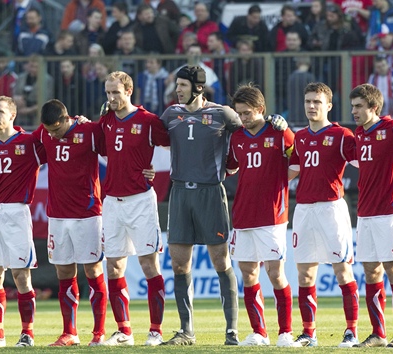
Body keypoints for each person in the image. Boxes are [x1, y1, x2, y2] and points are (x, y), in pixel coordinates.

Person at [158, 65, 242, 346]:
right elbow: (144, 137)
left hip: (210, 193)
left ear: (197, 87)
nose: (177, 90)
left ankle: (231, 331)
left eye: (182, 85)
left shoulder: (222, 114)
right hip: (180, 193)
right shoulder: (170, 114)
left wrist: (274, 123)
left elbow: (249, 133)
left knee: (221, 261)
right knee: (179, 264)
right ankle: (186, 331)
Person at [98, 71, 170, 346]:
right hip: (112, 201)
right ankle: (124, 331)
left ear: (129, 91)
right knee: (114, 266)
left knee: (148, 263)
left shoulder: (148, 121)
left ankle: (155, 330)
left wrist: (152, 171)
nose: (111, 98)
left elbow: (175, 144)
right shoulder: (105, 120)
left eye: (116, 92)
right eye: (108, 93)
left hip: (140, 200)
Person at [288, 82, 360, 348]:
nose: (311, 106)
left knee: (343, 270)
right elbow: (291, 170)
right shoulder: (300, 137)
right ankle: (309, 333)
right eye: (308, 101)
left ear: (329, 105)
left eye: (317, 102)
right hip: (304, 209)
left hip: (332, 208)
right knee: (305, 273)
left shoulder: (342, 134)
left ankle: (351, 331)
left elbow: (369, 162)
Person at [226, 84, 297, 347]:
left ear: (261, 110)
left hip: (272, 214)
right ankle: (259, 332)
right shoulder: (237, 138)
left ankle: (285, 332)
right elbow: (230, 168)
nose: (243, 118)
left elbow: (298, 162)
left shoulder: (279, 133)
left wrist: (287, 130)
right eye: (239, 113)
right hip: (243, 213)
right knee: (248, 273)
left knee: (276, 273)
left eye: (247, 113)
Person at [0, 96, 45, 348]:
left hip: (16, 212)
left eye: (0, 111)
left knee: (21, 275)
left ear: (12, 115)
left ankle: (27, 334)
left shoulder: (29, 142)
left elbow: (58, 147)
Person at [35, 99, 108, 346]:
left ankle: (99, 333)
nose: (52, 135)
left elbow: (119, 150)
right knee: (64, 271)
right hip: (57, 216)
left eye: (56, 129)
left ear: (67, 119)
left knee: (93, 270)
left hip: (87, 214)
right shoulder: (45, 134)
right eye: (48, 131)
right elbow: (20, 142)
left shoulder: (89, 132)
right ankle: (70, 333)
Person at [350, 83, 393, 348]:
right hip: (365, 212)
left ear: (373, 107)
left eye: (359, 107)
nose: (354, 111)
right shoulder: (359, 133)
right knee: (370, 270)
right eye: (352, 106)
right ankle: (378, 333)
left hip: (390, 211)